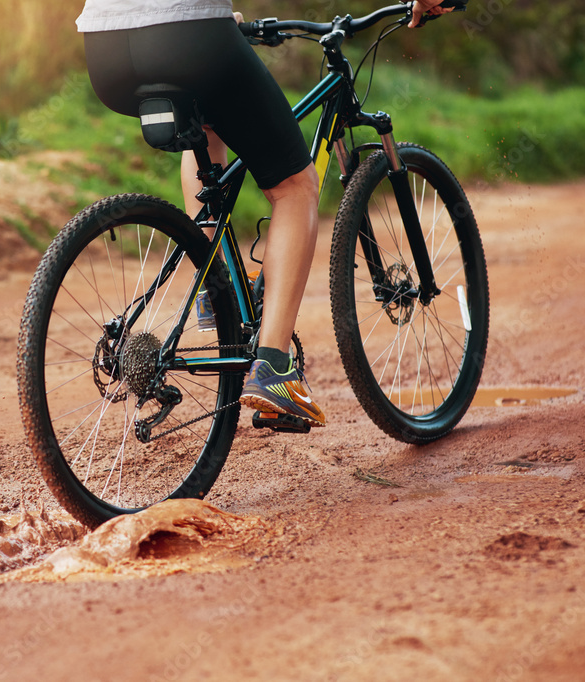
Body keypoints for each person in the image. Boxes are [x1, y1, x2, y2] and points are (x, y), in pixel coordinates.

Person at [76, 0, 454, 428]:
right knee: (296, 186)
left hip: (104, 49)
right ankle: (273, 367)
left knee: (207, 125)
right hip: (187, 34)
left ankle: (214, 289)